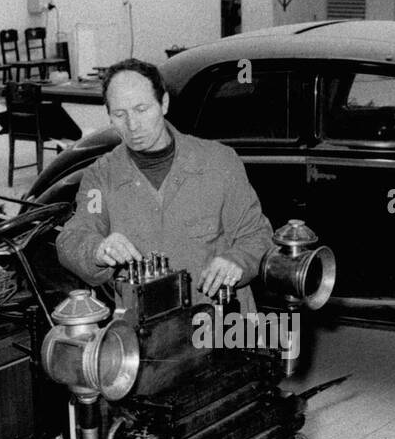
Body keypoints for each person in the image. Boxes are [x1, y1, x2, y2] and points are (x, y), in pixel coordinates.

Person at [56, 58, 274, 307]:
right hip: (145, 332)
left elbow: (258, 235)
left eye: (141, 109)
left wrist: (238, 261)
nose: (132, 125)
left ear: (164, 104)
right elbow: (71, 239)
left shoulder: (220, 162)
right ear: (109, 116)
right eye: (119, 114)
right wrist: (98, 248)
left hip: (219, 324)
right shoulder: (101, 177)